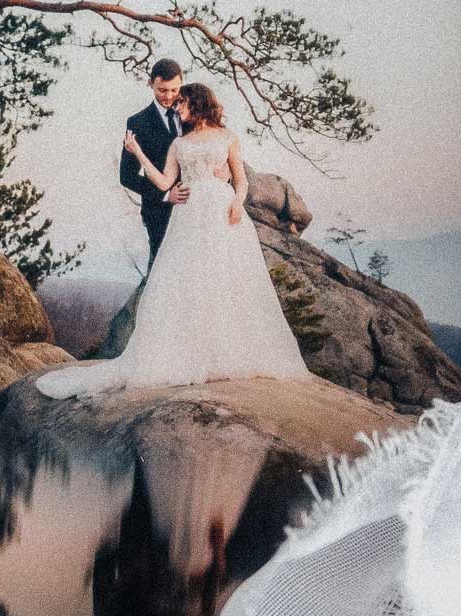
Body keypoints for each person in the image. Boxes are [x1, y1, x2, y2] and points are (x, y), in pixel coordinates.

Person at [38, 80, 308, 398]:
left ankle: (226, 353)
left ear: (197, 102)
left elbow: (242, 179)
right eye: (175, 103)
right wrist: (136, 152)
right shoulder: (179, 144)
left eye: (181, 102)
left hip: (223, 213)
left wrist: (237, 200)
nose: (176, 107)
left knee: (227, 279)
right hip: (190, 215)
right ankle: (191, 354)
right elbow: (165, 180)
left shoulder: (227, 137)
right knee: (185, 280)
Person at [123, 58, 192, 260]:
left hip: (196, 206)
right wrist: (165, 195)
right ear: (151, 83)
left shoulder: (192, 115)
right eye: (162, 90)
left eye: (174, 90)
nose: (169, 96)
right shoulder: (137, 122)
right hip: (159, 212)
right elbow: (126, 175)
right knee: (163, 270)